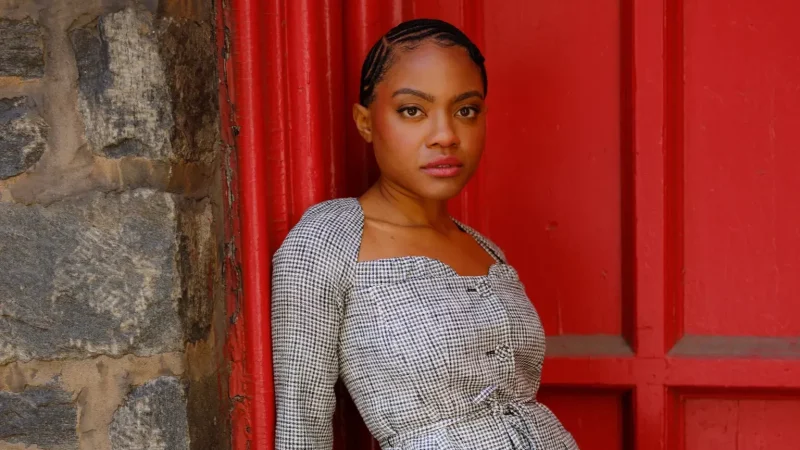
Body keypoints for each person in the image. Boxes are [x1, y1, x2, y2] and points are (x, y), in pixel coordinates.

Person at [271, 18, 579, 450]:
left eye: (466, 110)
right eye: (412, 110)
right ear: (365, 122)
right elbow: (301, 424)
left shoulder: (483, 249)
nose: (446, 136)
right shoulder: (329, 240)